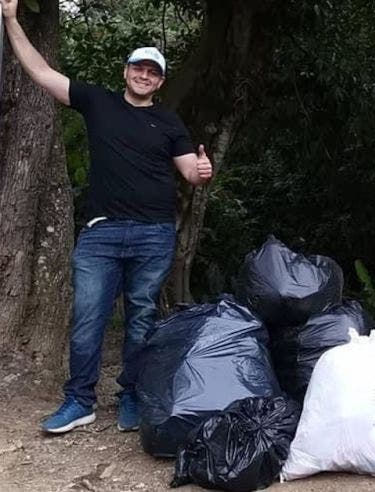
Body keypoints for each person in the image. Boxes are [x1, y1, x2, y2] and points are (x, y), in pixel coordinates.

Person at [1, 0, 213, 434]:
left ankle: (131, 395)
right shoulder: (97, 102)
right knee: (87, 318)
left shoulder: (169, 122)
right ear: (126, 71)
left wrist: (202, 170)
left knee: (140, 319)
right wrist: (9, 19)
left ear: (160, 80)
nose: (144, 75)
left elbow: (191, 172)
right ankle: (79, 400)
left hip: (154, 234)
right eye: (139, 67)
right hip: (101, 234)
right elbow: (41, 73)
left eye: (153, 71)